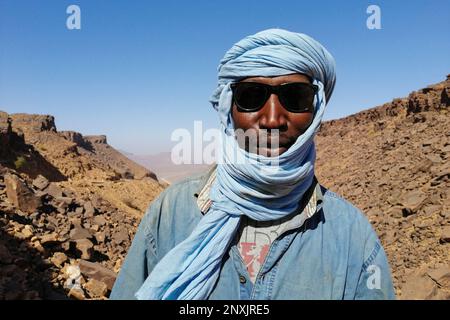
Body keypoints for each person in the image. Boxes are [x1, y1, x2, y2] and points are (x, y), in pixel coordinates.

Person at [110, 28, 396, 300]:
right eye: (251, 96)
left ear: (316, 111)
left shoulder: (351, 236)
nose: (272, 119)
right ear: (228, 109)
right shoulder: (171, 212)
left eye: (296, 97)